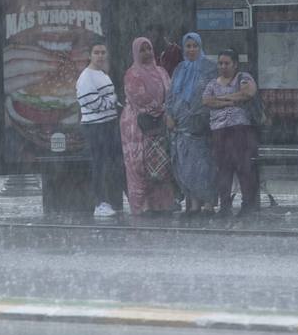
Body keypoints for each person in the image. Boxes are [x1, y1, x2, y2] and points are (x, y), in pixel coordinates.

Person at [165, 32, 219, 216]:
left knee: (205, 166)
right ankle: (194, 203)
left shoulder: (210, 68)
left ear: (200, 46)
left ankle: (209, 203)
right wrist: (170, 115)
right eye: (188, 46)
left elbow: (213, 93)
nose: (191, 50)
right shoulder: (180, 69)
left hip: (202, 126)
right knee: (186, 166)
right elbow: (171, 95)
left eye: (195, 46)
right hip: (182, 127)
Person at [121, 36, 175, 214]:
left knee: (159, 163)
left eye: (148, 49)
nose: (146, 53)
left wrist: (164, 110)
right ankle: (142, 207)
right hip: (137, 125)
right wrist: (158, 109)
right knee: (139, 165)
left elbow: (171, 94)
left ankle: (161, 204)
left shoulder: (161, 72)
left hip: (160, 124)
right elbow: (139, 99)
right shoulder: (132, 74)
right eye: (142, 50)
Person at [202, 49, 259, 216]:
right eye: (220, 63)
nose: (223, 66)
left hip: (239, 130)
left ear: (235, 64)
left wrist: (220, 99)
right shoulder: (212, 83)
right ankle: (225, 206)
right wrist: (232, 100)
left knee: (243, 168)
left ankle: (247, 205)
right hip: (219, 131)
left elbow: (248, 93)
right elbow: (206, 100)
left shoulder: (243, 78)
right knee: (223, 169)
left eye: (227, 63)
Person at [76, 43, 125, 218]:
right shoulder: (86, 77)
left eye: (103, 52)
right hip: (95, 127)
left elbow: (107, 99)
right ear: (90, 55)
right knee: (99, 164)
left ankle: (109, 200)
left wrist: (112, 102)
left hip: (109, 124)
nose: (100, 56)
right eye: (96, 52)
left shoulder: (102, 75)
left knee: (111, 163)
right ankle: (99, 203)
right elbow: (92, 103)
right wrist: (112, 100)